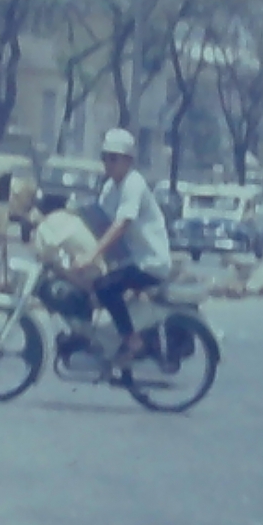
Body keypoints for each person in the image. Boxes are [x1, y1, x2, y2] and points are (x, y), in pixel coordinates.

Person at [86, 127, 172, 362]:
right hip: (131, 259)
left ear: (128, 161)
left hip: (150, 262)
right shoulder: (110, 187)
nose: (108, 164)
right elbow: (100, 221)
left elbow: (121, 224)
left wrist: (93, 253)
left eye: (114, 158)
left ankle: (133, 342)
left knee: (105, 288)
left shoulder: (134, 184)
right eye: (105, 158)